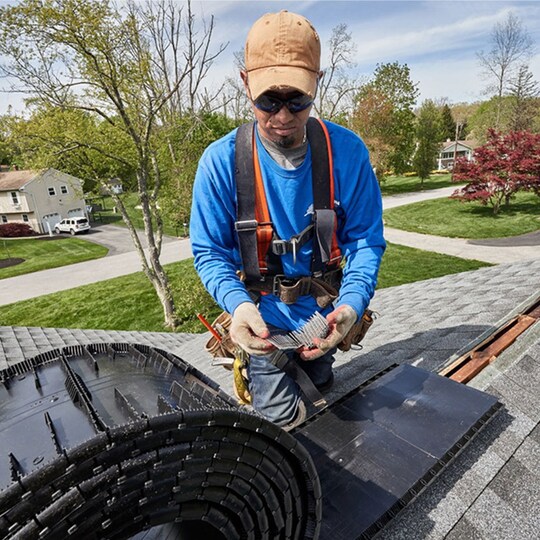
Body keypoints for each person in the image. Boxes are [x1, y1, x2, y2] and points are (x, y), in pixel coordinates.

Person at [190, 10, 385, 429]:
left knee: (324, 388)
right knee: (283, 421)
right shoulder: (220, 163)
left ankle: (317, 370)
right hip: (262, 324)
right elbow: (209, 252)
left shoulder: (347, 153)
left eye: (297, 99)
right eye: (268, 100)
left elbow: (366, 240)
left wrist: (351, 305)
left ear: (317, 83)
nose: (282, 116)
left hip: (324, 317)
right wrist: (238, 305)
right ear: (245, 83)